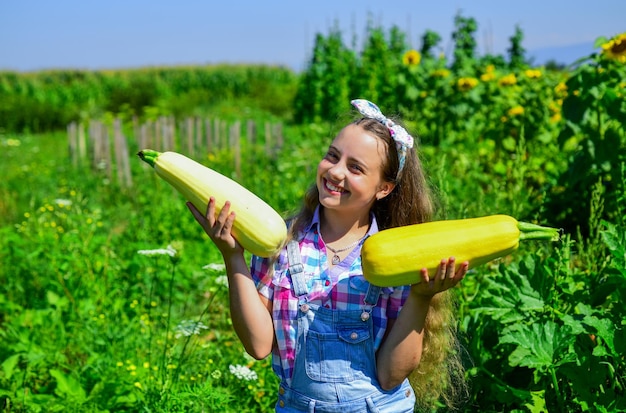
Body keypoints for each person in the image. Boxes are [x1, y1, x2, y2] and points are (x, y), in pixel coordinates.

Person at [188, 99, 469, 412]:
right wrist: (233, 257)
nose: (335, 171)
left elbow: (391, 375)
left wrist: (421, 297)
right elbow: (258, 345)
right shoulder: (282, 241)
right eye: (332, 156)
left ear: (384, 188)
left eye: (356, 168)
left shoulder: (398, 255)